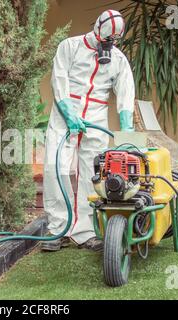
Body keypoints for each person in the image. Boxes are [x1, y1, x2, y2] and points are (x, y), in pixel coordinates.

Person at [42, 10, 135, 252]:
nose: (108, 46)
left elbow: (125, 94)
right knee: (56, 167)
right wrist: (69, 114)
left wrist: (126, 129)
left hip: (97, 114)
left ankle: (84, 232)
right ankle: (57, 229)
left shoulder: (118, 59)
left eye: (112, 42)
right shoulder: (69, 46)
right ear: (96, 28)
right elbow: (58, 79)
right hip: (66, 112)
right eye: (105, 40)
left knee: (93, 174)